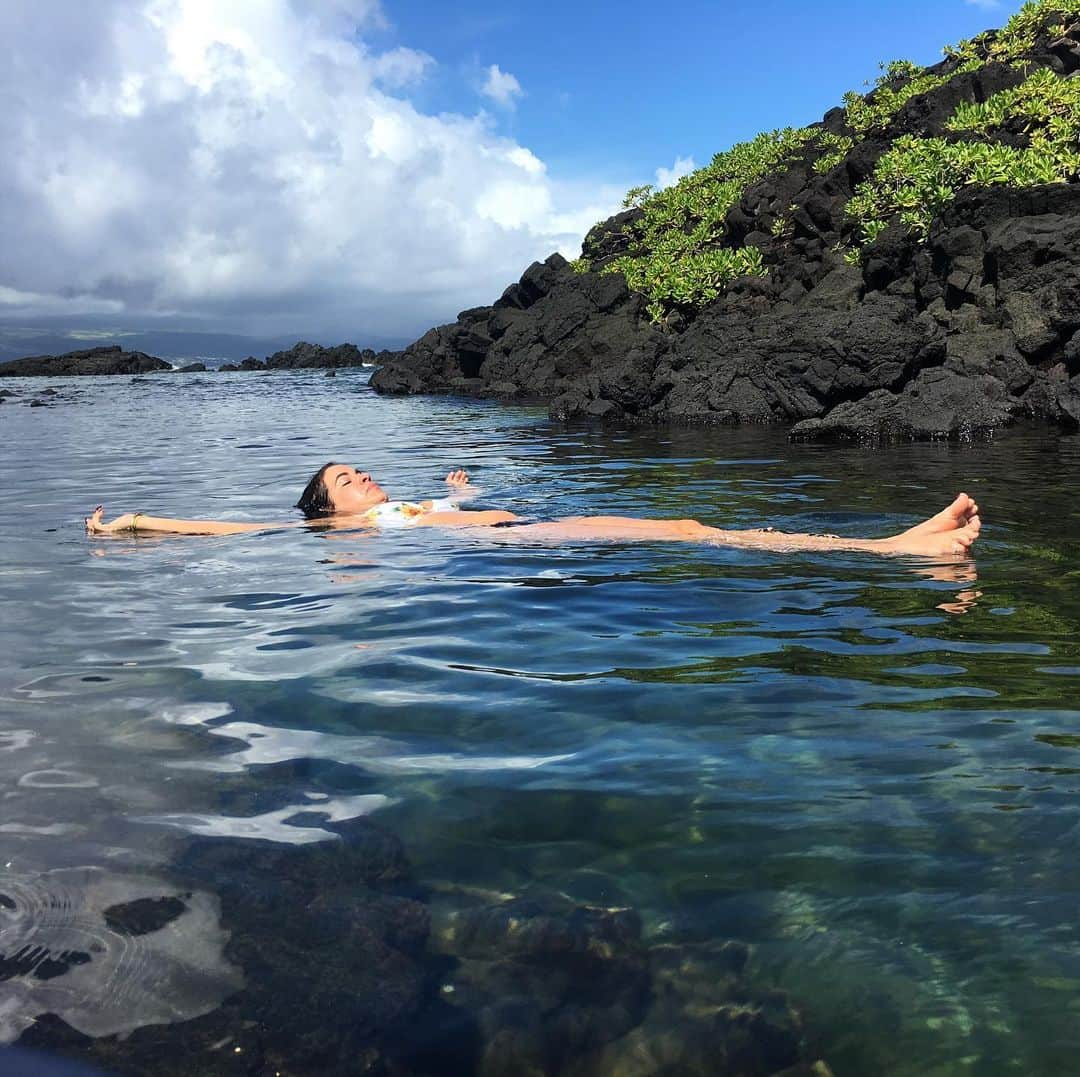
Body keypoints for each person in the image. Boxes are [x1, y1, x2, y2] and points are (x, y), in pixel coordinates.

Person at [84, 461, 982, 558]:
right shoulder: (338, 530)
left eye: (359, 469)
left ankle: (889, 547)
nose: (359, 479)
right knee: (691, 531)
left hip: (527, 533)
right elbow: (229, 528)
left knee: (697, 530)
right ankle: (890, 549)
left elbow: (468, 511)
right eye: (342, 480)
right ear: (325, 511)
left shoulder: (414, 506)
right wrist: (137, 523)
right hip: (534, 546)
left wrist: (464, 495)